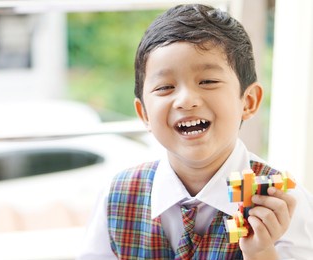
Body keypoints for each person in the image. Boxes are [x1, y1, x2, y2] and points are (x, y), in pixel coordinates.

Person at [78, 4, 313, 260]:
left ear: (248, 101)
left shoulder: (283, 204)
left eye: (208, 81)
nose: (186, 100)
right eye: (165, 87)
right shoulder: (116, 197)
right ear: (144, 113)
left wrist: (261, 252)